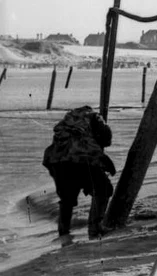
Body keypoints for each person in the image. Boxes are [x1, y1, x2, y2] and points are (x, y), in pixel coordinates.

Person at [42, 106, 115, 247]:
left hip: (57, 161)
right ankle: (95, 229)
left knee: (67, 199)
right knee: (103, 189)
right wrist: (103, 158)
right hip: (80, 160)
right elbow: (98, 143)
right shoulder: (96, 120)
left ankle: (63, 234)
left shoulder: (70, 120)